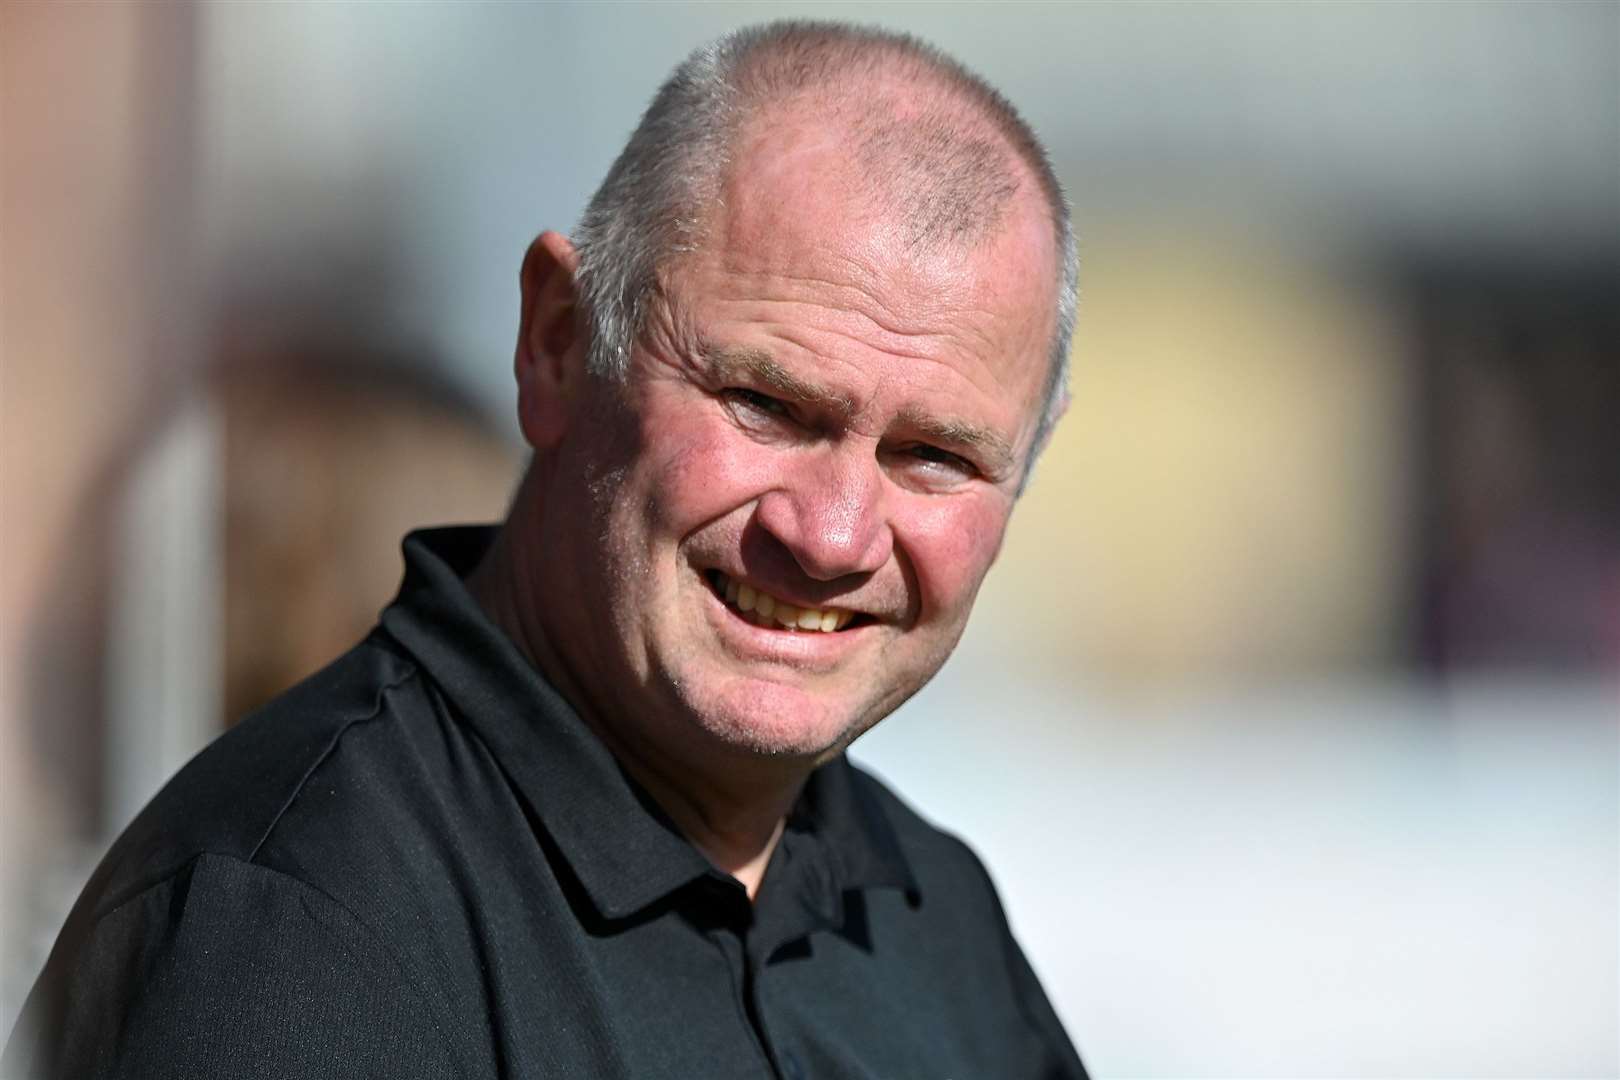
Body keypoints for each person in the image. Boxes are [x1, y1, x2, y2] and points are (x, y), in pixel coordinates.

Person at [5, 20, 1085, 1079]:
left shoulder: (932, 919)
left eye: (936, 457)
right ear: (559, 345)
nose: (832, 534)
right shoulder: (293, 924)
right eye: (765, 404)